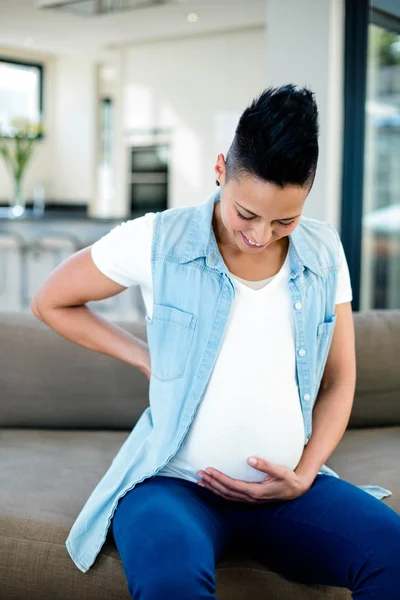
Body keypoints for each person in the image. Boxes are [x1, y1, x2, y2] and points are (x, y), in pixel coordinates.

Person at [31, 85, 400, 599]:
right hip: (174, 487)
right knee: (170, 585)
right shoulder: (158, 239)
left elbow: (340, 379)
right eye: (247, 214)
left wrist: (305, 474)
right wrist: (143, 356)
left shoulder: (325, 252)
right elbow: (51, 300)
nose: (262, 235)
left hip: (290, 493)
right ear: (221, 169)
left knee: (394, 553)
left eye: (284, 220)